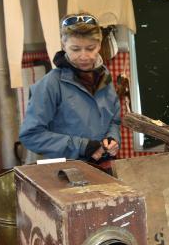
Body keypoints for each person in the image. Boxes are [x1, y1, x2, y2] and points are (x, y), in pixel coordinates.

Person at [19, 13, 121, 166]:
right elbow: (30, 135)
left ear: (99, 44)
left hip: (103, 167)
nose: (84, 56)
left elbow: (114, 120)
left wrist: (112, 139)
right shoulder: (51, 84)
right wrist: (81, 146)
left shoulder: (105, 77)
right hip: (64, 172)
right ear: (63, 45)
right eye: (75, 49)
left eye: (90, 48)